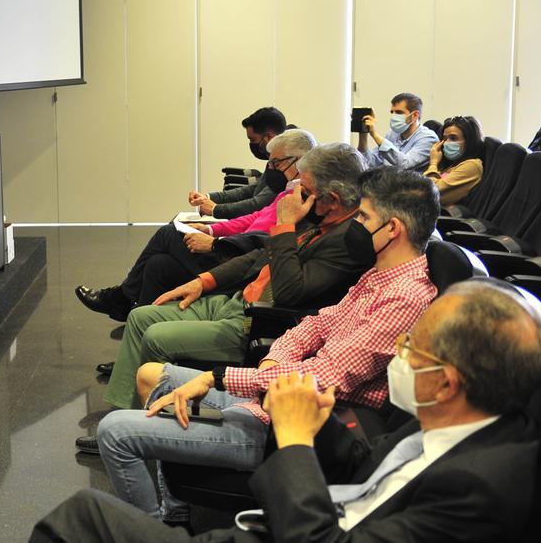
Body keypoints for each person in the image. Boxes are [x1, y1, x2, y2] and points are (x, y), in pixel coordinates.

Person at [32, 279, 541, 542]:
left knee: (82, 516)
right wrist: (320, 420)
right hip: (286, 523)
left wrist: (296, 438)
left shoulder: (480, 487)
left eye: (411, 348)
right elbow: (362, 471)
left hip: (295, 530)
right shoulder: (454, 419)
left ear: (446, 381)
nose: (398, 354)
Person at [91, 168, 439, 523]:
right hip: (277, 393)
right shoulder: (380, 276)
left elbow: (326, 375)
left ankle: (149, 530)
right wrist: (273, 360)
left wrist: (219, 377)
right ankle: (176, 513)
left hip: (295, 425)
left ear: (393, 229)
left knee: (113, 431)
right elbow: (315, 325)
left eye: (364, 217)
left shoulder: (405, 298)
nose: (356, 224)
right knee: (151, 375)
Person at [92, 143, 372, 415]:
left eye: (306, 190)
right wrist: (203, 282)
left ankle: (138, 423)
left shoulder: (347, 241)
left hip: (255, 321)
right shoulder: (316, 217)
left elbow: (289, 291)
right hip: (236, 300)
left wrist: (285, 225)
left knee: (155, 336)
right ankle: (119, 411)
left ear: (332, 200)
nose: (297, 194)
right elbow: (258, 257)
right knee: (141, 316)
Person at [78, 129, 316, 324]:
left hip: (238, 261)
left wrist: (216, 244)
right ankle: (137, 333)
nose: (271, 168)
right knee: (157, 265)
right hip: (230, 248)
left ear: (300, 160)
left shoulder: (302, 201)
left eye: (276, 162)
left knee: (169, 233)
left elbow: (262, 242)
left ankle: (120, 297)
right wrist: (212, 229)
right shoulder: (287, 192)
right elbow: (254, 218)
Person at [187, 107, 287, 218]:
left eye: (253, 139)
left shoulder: (285, 166)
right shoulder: (273, 161)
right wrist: (207, 197)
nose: (251, 144)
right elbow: (253, 189)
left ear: (269, 137)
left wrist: (216, 209)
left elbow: (258, 204)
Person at [358, 92, 439, 170]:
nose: (394, 116)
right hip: (386, 181)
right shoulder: (393, 134)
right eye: (392, 112)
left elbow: (405, 164)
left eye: (399, 112)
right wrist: (363, 133)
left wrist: (375, 135)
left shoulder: (428, 138)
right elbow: (371, 162)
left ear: (415, 115)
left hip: (410, 183)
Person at [424, 115, 485, 206]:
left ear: (469, 142)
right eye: (444, 139)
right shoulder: (450, 164)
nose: (447, 143)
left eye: (453, 138)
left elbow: (428, 192)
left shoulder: (472, 166)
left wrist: (433, 163)